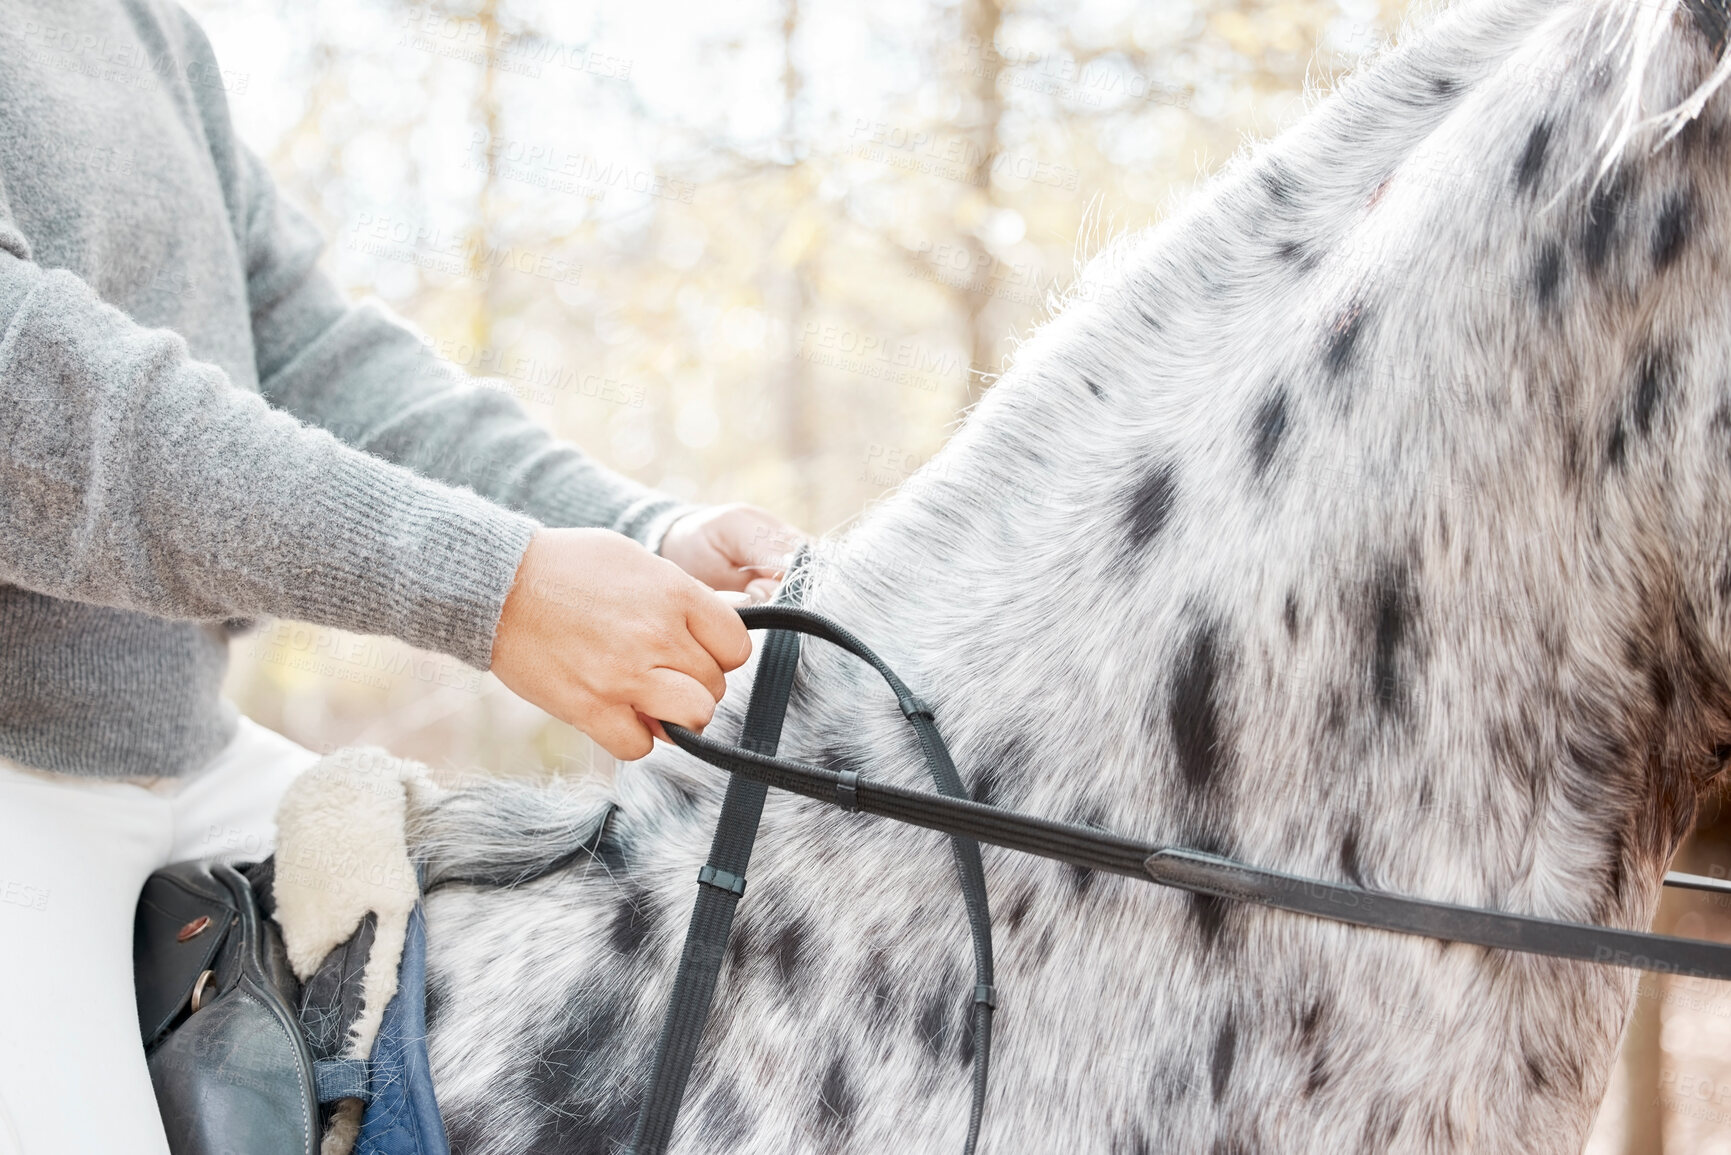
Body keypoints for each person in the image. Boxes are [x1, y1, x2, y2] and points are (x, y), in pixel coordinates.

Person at [0, 2, 802, 1152]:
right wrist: (497, 591)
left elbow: (320, 359)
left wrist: (641, 528)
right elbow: (43, 411)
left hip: (192, 751)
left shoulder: (143, 30)